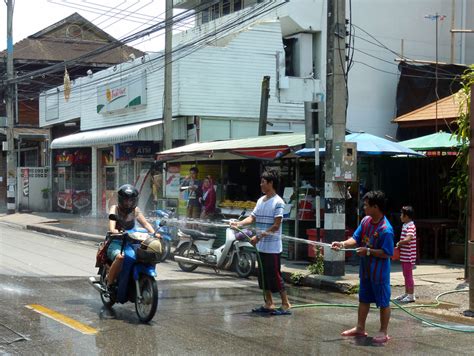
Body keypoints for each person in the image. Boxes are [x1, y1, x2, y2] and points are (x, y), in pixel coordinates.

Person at [331, 190, 394, 343]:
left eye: (366, 205)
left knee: (383, 302)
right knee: (363, 299)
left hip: (379, 273)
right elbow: (355, 238)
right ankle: (360, 327)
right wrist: (342, 244)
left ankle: (383, 331)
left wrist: (368, 251)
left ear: (376, 207)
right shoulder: (365, 221)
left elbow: (387, 253)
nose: (363, 207)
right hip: (365, 271)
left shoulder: (386, 230)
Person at [230, 169, 291, 316]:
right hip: (261, 246)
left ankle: (286, 304)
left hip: (273, 247)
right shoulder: (260, 200)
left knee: (274, 275)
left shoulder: (278, 202)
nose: (261, 184)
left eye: (263, 182)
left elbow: (276, 226)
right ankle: (269, 303)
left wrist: (259, 237)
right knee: (262, 275)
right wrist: (239, 224)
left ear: (271, 183)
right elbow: (252, 218)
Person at [106, 184, 160, 287]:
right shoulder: (115, 209)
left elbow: (145, 224)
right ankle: (110, 283)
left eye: (131, 200)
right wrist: (115, 231)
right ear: (121, 200)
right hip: (117, 241)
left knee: (148, 255)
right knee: (120, 257)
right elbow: (112, 226)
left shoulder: (136, 210)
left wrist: (154, 233)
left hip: (132, 242)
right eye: (126, 200)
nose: (128, 203)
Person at [395, 205, 417, 303]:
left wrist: (400, 243)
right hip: (404, 255)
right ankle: (407, 293)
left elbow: (409, 238)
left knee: (408, 276)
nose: (400, 216)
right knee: (405, 275)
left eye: (402, 214)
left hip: (409, 256)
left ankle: (411, 295)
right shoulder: (405, 225)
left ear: (407, 216)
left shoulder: (411, 226)